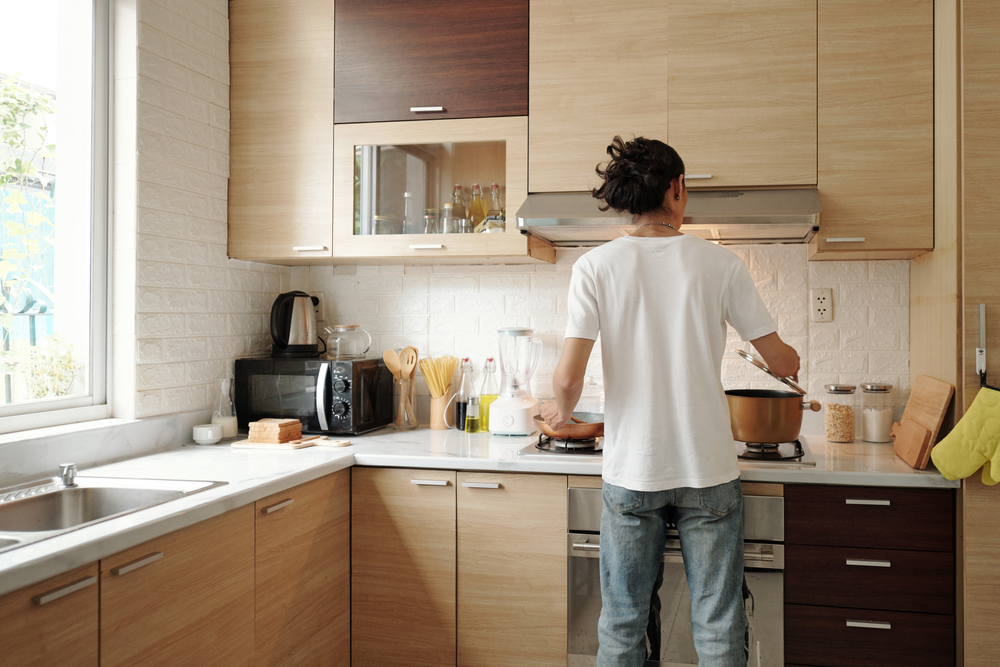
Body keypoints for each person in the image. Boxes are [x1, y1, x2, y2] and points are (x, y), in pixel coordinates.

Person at [540, 136, 800, 666]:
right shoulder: (719, 265)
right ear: (678, 189)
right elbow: (782, 363)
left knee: (622, 622)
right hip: (707, 468)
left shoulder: (594, 267)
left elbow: (568, 377)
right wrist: (789, 359)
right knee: (719, 620)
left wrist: (560, 414)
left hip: (633, 470)